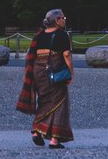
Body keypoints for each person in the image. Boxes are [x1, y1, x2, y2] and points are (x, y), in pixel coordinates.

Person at [16, 8, 74, 148]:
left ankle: (37, 131)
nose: (64, 20)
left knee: (43, 100)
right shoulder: (62, 35)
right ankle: (55, 139)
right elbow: (66, 55)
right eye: (62, 18)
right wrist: (71, 72)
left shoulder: (39, 35)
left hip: (38, 71)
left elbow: (34, 55)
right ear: (56, 20)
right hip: (54, 70)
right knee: (59, 102)